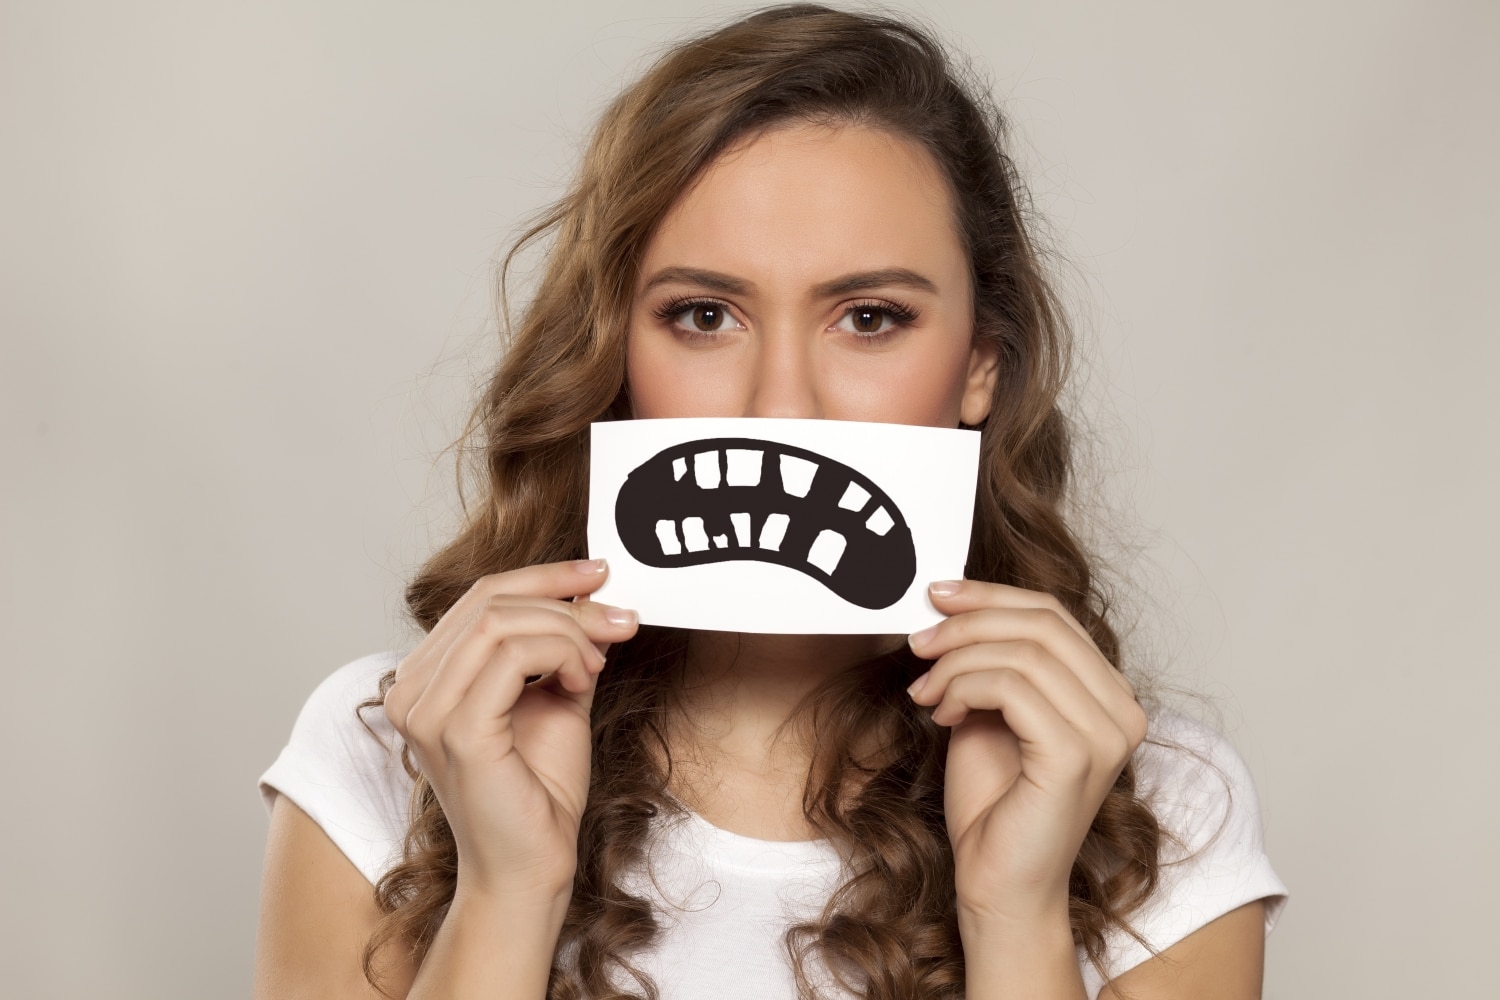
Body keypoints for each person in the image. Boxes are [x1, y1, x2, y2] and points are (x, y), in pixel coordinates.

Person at [253, 5, 1288, 999]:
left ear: (980, 366)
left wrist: (1015, 915)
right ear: (615, 353)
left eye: (870, 317)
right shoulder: (399, 743)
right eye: (704, 315)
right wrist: (506, 889)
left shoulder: (1162, 803)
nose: (780, 404)